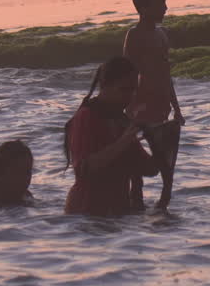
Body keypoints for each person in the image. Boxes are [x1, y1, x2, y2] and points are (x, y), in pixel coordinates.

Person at [64, 56, 160, 217]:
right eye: (124, 90)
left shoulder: (121, 121)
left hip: (118, 210)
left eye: (133, 90)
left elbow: (149, 169)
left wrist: (159, 141)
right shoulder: (86, 116)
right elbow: (83, 169)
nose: (130, 97)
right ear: (105, 86)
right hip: (85, 212)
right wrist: (122, 143)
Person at [123, 0, 185, 210]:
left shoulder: (162, 35)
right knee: (135, 161)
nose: (166, 8)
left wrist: (176, 108)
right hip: (138, 108)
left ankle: (164, 201)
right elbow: (127, 74)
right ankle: (135, 199)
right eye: (161, 4)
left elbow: (166, 74)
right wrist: (126, 107)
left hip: (161, 107)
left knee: (165, 163)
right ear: (144, 8)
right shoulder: (134, 35)